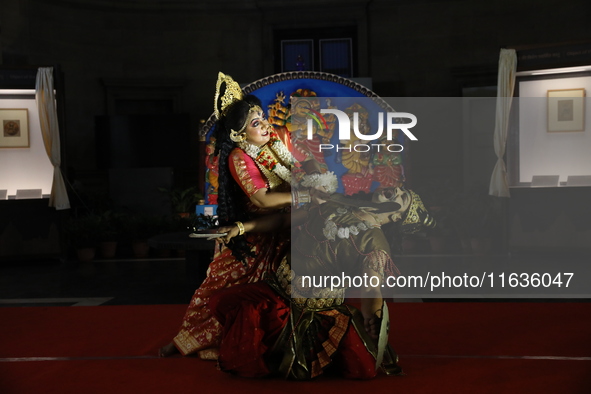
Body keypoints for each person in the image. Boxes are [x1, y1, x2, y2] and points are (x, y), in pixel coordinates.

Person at [209, 187, 436, 379]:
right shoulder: (333, 203)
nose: (396, 190)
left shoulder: (374, 243)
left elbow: (371, 287)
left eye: (402, 197)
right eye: (400, 188)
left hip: (317, 310)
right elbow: (282, 221)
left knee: (362, 367)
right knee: (221, 302)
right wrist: (241, 228)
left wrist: (372, 317)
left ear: (397, 217)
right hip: (276, 289)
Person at [159, 72, 309, 359]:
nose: (265, 123)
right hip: (252, 236)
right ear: (239, 135)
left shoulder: (277, 141)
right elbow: (262, 199)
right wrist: (306, 196)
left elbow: (301, 169)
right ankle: (185, 340)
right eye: (255, 123)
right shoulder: (239, 157)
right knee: (221, 289)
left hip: (287, 228)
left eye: (262, 116)